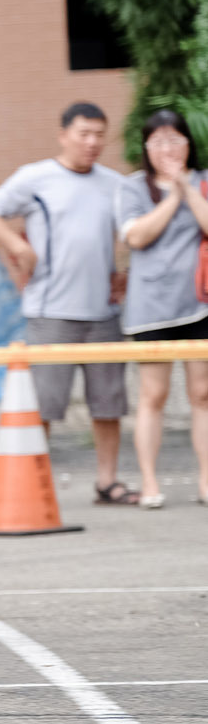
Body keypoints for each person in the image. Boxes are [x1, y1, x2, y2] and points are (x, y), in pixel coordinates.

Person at [0, 101, 137, 505]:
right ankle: (34, 486)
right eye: (84, 133)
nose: (92, 142)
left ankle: (107, 481)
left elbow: (136, 233)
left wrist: (126, 273)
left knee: (108, 406)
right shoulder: (36, 178)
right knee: (42, 407)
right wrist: (16, 247)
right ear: (64, 134)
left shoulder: (115, 184)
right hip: (50, 312)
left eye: (99, 134)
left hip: (103, 314)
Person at [116, 109, 208, 509]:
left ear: (189, 144)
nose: (167, 149)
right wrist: (172, 196)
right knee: (152, 395)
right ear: (146, 148)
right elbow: (137, 237)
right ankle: (150, 482)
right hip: (150, 308)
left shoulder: (203, 182)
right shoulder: (132, 188)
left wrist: (187, 189)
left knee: (202, 394)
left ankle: (206, 481)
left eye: (175, 140)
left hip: (198, 305)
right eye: (158, 142)